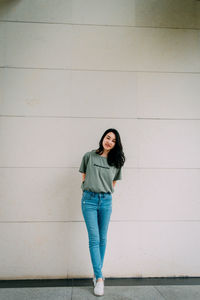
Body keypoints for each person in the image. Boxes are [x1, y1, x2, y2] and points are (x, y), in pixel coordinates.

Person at [79, 128, 125, 296]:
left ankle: (96, 273)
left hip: (105, 201)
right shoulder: (89, 156)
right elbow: (83, 174)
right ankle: (99, 278)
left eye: (113, 141)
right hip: (89, 201)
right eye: (108, 138)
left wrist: (104, 193)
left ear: (115, 145)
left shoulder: (116, 162)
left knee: (103, 238)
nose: (109, 142)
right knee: (94, 238)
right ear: (103, 138)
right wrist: (87, 189)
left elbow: (113, 183)